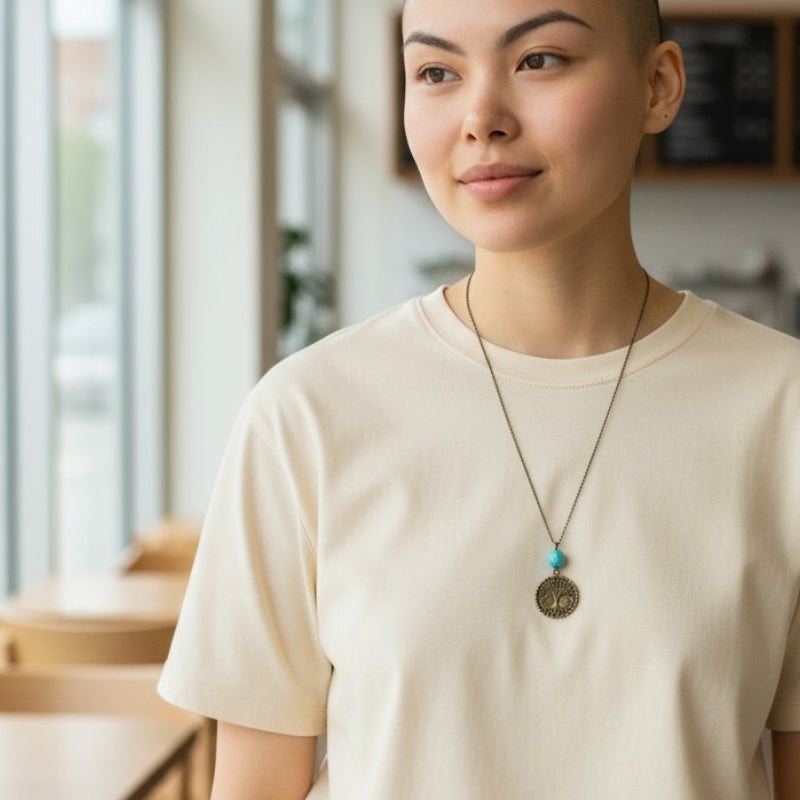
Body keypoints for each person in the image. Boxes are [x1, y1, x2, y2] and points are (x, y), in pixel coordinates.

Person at [158, 0, 800, 796]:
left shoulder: (783, 409)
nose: (481, 117)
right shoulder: (306, 415)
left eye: (539, 60)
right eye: (435, 72)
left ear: (660, 87)